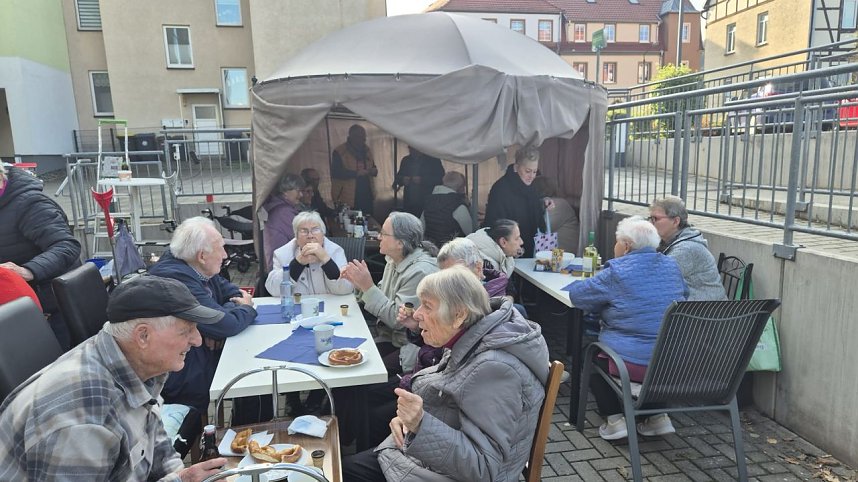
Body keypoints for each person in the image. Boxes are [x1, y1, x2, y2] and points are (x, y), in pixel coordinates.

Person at [0, 275, 228, 481]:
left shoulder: (136, 364)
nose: (197, 340)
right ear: (143, 336)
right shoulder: (84, 419)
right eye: (186, 330)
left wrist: (181, 477)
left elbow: (156, 443)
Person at [342, 266, 550, 482]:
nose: (418, 314)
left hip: (451, 473)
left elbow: (485, 468)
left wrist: (420, 424)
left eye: (428, 306)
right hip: (433, 463)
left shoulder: (494, 367)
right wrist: (410, 423)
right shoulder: (473, 338)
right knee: (348, 464)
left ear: (459, 315)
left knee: (343, 471)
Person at [566, 217, 688, 441]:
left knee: (592, 354)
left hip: (632, 364)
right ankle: (656, 417)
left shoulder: (617, 271)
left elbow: (578, 296)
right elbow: (684, 295)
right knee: (654, 344)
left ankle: (615, 421)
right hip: (671, 361)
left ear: (627, 245)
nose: (615, 246)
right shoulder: (671, 265)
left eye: (616, 242)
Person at [148, 216, 257, 416]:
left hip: (195, 356)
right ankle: (242, 435)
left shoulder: (195, 267)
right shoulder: (176, 278)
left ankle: (243, 428)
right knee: (252, 376)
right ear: (202, 255)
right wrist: (247, 309)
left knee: (252, 366)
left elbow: (231, 292)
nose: (225, 255)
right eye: (222, 248)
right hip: (179, 371)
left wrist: (212, 322)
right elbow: (227, 324)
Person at [340, 211, 438, 375]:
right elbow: (382, 297)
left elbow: (398, 320)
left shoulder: (420, 271)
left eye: (384, 234)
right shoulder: (394, 260)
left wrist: (367, 286)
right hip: (390, 337)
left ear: (400, 243)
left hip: (410, 346)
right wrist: (358, 283)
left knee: (360, 373)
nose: (379, 237)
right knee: (346, 359)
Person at [0, 163, 81, 350]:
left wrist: (28, 270)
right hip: (13, 308)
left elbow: (66, 245)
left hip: (52, 307)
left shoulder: (29, 204)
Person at [649, 196, 727, 301]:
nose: (650, 223)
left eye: (656, 219)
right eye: (650, 218)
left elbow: (654, 278)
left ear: (675, 221)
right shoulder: (667, 241)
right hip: (690, 309)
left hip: (707, 313)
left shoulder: (687, 249)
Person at [484, 146, 554, 257]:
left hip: (530, 250)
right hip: (508, 254)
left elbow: (530, 207)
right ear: (516, 167)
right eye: (527, 171)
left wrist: (543, 203)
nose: (531, 176)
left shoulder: (531, 187)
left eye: (535, 172)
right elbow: (495, 224)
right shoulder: (500, 189)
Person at [265, 211, 353, 296]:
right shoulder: (282, 254)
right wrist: (298, 263)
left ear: (323, 234)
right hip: (297, 306)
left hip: (329, 306)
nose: (310, 235)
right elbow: (274, 290)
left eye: (315, 230)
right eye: (304, 231)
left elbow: (346, 289)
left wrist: (326, 260)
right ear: (296, 236)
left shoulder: (335, 251)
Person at [331, 124, 378, 216]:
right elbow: (336, 173)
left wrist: (374, 171)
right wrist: (356, 174)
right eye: (360, 137)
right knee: (352, 223)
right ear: (351, 137)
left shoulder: (367, 150)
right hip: (348, 196)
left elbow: (373, 166)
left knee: (369, 220)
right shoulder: (340, 151)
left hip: (367, 193)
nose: (363, 140)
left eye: (364, 138)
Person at [262, 173, 306, 270]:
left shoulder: (282, 207)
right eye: (298, 191)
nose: (301, 195)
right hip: (282, 266)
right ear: (286, 192)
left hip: (281, 260)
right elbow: (303, 238)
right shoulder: (283, 212)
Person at [421, 171, 472, 246]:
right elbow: (470, 232)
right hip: (452, 250)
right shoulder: (458, 205)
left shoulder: (428, 202)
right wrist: (469, 206)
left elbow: (421, 227)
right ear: (460, 187)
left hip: (431, 248)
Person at [532, 175, 580, 254]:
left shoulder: (556, 204)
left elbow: (542, 227)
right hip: (557, 254)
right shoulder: (560, 203)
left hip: (563, 256)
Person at [394, 146, 445, 217]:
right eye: (410, 148)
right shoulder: (406, 160)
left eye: (413, 148)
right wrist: (403, 179)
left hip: (427, 203)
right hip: (409, 203)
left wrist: (423, 180)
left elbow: (440, 179)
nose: (411, 150)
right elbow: (397, 178)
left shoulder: (433, 160)